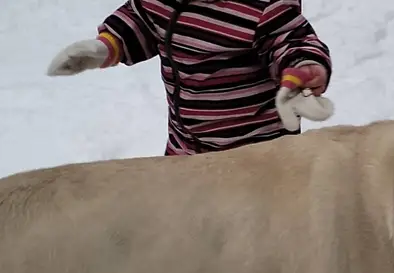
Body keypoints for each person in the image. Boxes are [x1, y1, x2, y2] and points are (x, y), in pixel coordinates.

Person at [47, 0, 333, 156]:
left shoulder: (263, 7)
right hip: (185, 149)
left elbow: (291, 41)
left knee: (253, 236)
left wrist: (303, 69)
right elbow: (142, 19)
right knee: (185, 229)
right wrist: (108, 46)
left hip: (257, 154)